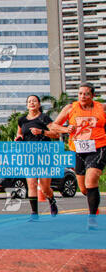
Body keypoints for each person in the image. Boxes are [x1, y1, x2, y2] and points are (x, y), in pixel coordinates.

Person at [48, 83, 106, 229]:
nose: (82, 96)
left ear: (93, 95)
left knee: (91, 180)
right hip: (78, 150)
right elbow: (53, 126)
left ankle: (92, 219)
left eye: (86, 94)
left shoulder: (102, 108)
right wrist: (65, 129)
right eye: (80, 93)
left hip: (98, 148)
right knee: (84, 188)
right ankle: (94, 206)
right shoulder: (70, 108)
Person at [15, 95, 60, 218]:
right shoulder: (22, 120)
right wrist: (18, 138)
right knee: (31, 183)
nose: (32, 103)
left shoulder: (44, 118)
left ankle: (51, 199)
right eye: (29, 101)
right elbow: (19, 133)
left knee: (45, 188)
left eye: (34, 101)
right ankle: (34, 213)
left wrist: (42, 132)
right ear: (27, 105)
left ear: (39, 104)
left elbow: (56, 134)